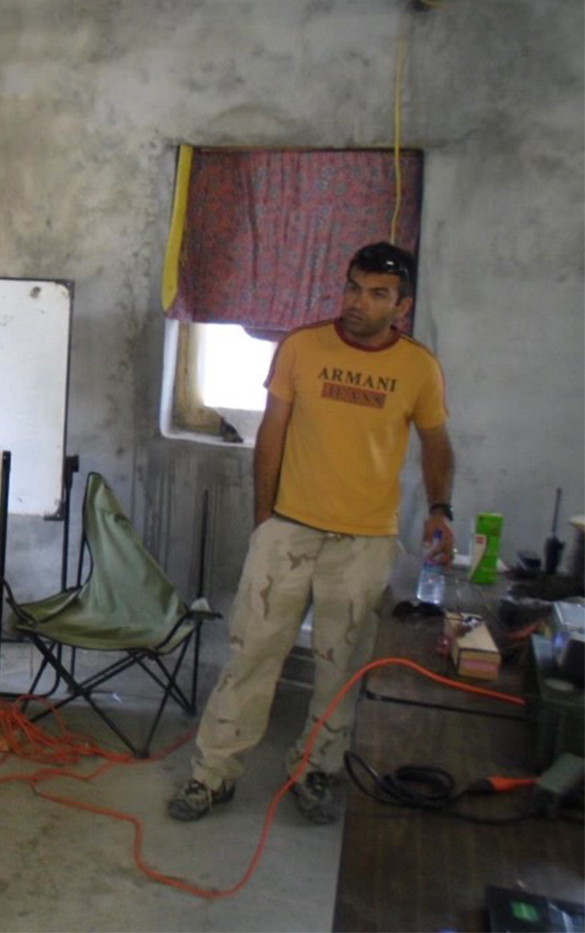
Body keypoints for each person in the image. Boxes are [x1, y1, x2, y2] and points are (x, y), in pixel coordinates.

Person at [168, 242, 455, 825]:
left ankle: (315, 769)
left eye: (377, 294)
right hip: (289, 530)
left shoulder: (418, 367)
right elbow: (271, 435)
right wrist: (264, 520)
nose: (358, 303)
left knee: (341, 664)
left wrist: (441, 508)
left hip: (365, 542)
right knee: (251, 654)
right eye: (353, 287)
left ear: (402, 305)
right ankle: (213, 773)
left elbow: (437, 444)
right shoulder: (302, 347)